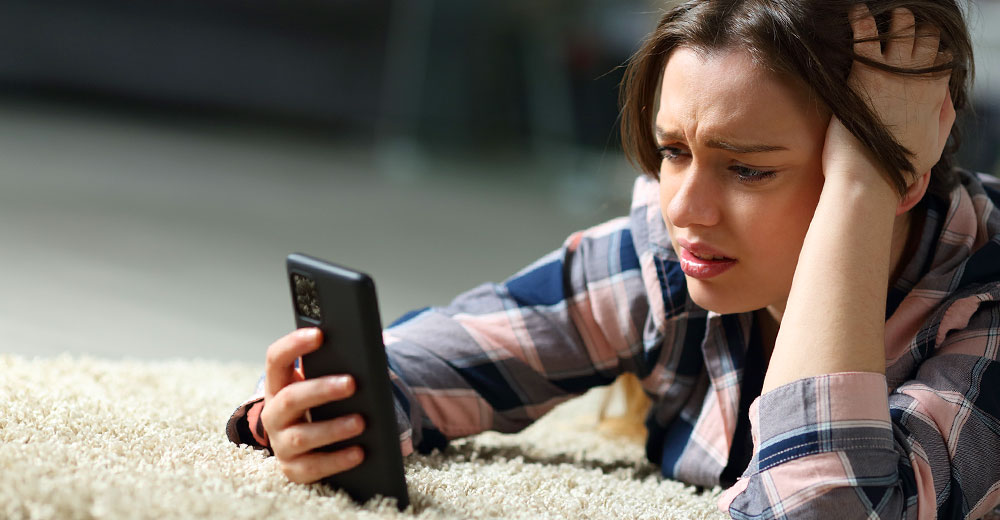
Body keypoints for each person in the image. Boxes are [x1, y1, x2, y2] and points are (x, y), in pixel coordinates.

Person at [227, 1, 1000, 517]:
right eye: (674, 152)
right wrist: (318, 414)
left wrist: (860, 190)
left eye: (749, 169)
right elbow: (437, 362)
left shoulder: (984, 312)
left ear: (902, 175)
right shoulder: (669, 257)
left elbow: (817, 510)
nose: (684, 209)